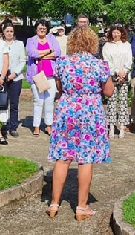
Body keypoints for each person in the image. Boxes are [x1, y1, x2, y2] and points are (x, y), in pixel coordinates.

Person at [46, 26, 114, 221]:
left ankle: (54, 204)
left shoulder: (63, 63)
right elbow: (108, 91)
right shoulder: (99, 64)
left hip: (66, 109)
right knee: (85, 158)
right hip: (90, 111)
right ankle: (81, 207)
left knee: (63, 157)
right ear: (92, 43)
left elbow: (60, 88)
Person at [26, 20, 62, 137]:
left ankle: (48, 125)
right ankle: (36, 126)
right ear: (36, 28)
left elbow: (58, 52)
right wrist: (48, 51)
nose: (42, 29)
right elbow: (32, 54)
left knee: (49, 101)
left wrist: (42, 55)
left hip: (50, 75)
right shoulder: (31, 40)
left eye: (44, 27)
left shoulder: (52, 39)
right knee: (38, 101)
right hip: (37, 75)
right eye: (40, 27)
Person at [102, 23, 132, 139]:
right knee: (112, 102)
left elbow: (129, 59)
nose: (116, 34)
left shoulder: (126, 45)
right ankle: (111, 126)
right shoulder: (107, 46)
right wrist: (116, 71)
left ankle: (122, 126)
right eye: (114, 32)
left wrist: (123, 71)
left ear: (121, 33)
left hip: (124, 76)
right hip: (112, 76)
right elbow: (107, 61)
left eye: (118, 32)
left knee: (123, 102)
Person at [2, 20, 26, 137]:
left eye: (11, 31)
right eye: (7, 31)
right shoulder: (0, 44)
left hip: (16, 78)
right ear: (3, 32)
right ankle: (3, 125)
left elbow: (22, 61)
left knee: (14, 104)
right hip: (3, 77)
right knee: (2, 103)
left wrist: (15, 73)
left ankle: (13, 126)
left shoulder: (19, 44)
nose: (10, 33)